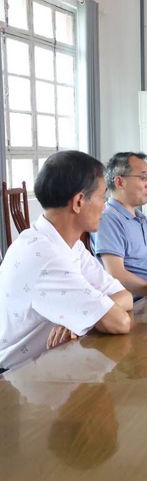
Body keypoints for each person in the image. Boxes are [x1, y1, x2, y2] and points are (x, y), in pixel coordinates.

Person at [0, 151, 133, 372]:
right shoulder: (45, 257)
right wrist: (93, 315)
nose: (105, 205)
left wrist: (83, 317)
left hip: (47, 365)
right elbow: (120, 322)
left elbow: (125, 296)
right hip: (14, 379)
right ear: (79, 201)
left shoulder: (68, 244)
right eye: (102, 197)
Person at [94, 152, 147, 299]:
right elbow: (116, 274)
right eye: (143, 177)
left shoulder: (140, 216)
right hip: (144, 301)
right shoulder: (107, 218)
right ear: (120, 182)